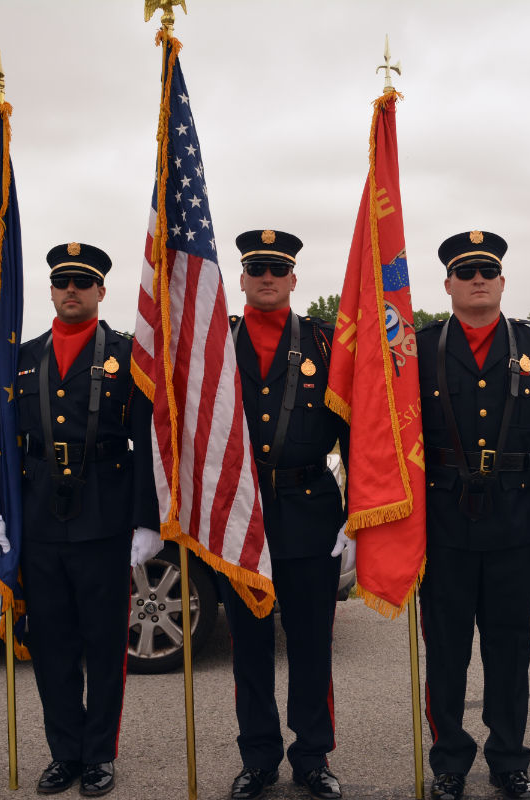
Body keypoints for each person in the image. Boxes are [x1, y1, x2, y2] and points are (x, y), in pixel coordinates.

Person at [0, 242, 160, 798]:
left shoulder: (129, 356)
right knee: (53, 644)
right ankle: (64, 753)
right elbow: (1, 440)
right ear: (51, 290)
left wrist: (146, 520)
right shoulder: (24, 355)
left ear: (101, 291)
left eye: (83, 283)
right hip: (39, 519)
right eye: (63, 282)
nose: (72, 292)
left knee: (104, 643)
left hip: (104, 516)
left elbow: (149, 439)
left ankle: (99, 754)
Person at [417, 231, 530, 800]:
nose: (477, 279)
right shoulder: (422, 345)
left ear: (503, 280)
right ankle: (450, 761)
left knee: (510, 649)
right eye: (466, 272)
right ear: (449, 285)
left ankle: (509, 758)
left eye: (487, 269)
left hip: (515, 516)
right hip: (442, 521)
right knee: (447, 649)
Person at [222, 229, 350, 800]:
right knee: (248, 645)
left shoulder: (326, 343)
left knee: (310, 644)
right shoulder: (216, 344)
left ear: (294, 278)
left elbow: (357, 429)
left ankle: (312, 756)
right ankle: (258, 757)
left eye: (277, 269)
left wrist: (359, 515)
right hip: (239, 514)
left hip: (309, 510)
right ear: (243, 278)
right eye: (257, 269)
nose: (267, 278)